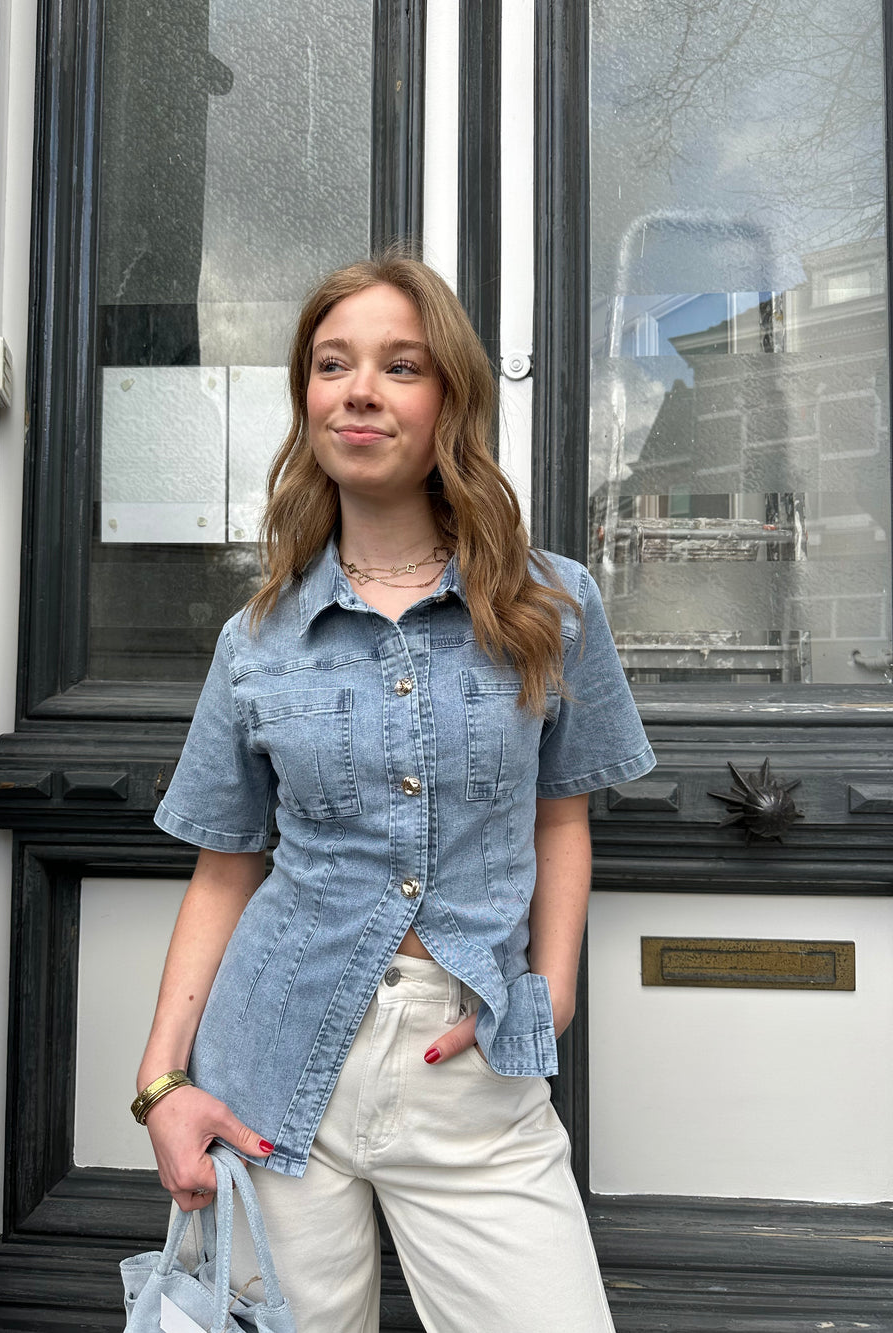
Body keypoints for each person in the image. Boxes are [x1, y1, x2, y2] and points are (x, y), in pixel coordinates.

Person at [134, 253, 656, 1332]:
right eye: (333, 365)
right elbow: (224, 870)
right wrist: (162, 1084)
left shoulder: (551, 605)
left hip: (470, 1064)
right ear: (307, 399)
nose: (359, 390)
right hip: (269, 1065)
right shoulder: (257, 640)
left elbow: (562, 816)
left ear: (449, 400)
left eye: (399, 366)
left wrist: (550, 991)